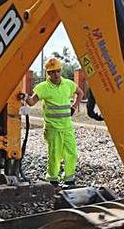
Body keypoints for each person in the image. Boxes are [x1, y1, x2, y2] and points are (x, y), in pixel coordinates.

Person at [23, 57, 84, 185]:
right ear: (48, 74)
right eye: (52, 72)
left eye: (57, 71)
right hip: (52, 128)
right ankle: (52, 179)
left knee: (71, 153)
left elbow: (80, 93)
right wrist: (24, 96)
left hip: (67, 127)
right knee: (54, 155)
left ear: (61, 71)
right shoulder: (43, 87)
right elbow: (32, 102)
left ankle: (69, 178)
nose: (55, 74)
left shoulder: (68, 84)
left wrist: (74, 106)